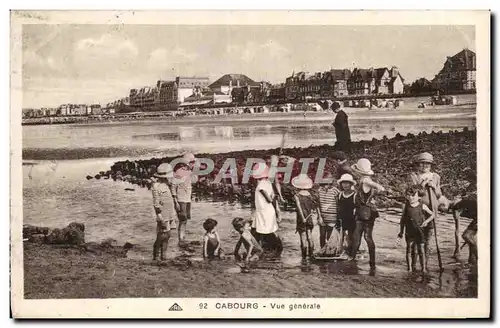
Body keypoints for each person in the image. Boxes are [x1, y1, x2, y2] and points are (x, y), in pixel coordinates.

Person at [405, 152, 443, 269]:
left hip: (431, 211)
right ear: (418, 164)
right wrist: (423, 183)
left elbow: (439, 194)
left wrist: (434, 187)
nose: (424, 166)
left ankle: (424, 265)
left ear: (431, 165)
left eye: (427, 164)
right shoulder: (413, 176)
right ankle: (413, 266)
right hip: (416, 211)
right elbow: (413, 192)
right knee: (415, 241)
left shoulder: (436, 176)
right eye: (422, 163)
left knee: (427, 239)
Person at [350, 158, 386, 270]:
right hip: (369, 212)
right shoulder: (364, 179)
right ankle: (371, 262)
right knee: (365, 236)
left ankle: (354, 259)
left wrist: (379, 188)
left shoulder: (365, 180)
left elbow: (379, 187)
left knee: (360, 236)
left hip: (364, 213)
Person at [397, 186, 435, 272]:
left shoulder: (422, 206)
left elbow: (433, 214)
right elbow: (402, 220)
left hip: (419, 231)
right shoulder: (406, 206)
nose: (411, 197)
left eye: (413, 195)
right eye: (408, 195)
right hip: (409, 231)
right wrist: (401, 232)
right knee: (409, 249)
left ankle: (424, 268)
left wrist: (426, 221)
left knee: (421, 249)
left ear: (419, 196)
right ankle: (409, 268)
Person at [252, 162, 283, 257]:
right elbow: (272, 196)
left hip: (263, 211)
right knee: (271, 229)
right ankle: (278, 248)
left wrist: (270, 198)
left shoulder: (261, 185)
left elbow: (269, 199)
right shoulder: (268, 182)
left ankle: (259, 250)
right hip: (269, 210)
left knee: (260, 231)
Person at [151, 163, 177, 261]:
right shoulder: (156, 186)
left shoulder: (167, 185)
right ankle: (156, 254)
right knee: (162, 235)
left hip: (170, 212)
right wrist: (159, 216)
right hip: (163, 214)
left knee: (168, 235)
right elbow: (156, 203)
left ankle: (164, 255)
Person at [292, 174, 319, 263]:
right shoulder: (310, 195)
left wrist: (303, 217)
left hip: (301, 219)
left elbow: (299, 207)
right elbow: (313, 207)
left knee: (303, 237)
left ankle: (304, 258)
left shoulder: (297, 195)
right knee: (309, 236)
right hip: (309, 218)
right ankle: (311, 256)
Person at [172, 152, 196, 246]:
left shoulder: (189, 172)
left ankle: (182, 237)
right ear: (187, 162)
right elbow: (173, 186)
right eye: (192, 162)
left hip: (187, 199)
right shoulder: (179, 172)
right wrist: (175, 201)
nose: (194, 164)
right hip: (181, 199)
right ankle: (181, 238)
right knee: (182, 219)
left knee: (185, 219)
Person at [317, 172, 340, 249]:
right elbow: (318, 205)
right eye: (324, 183)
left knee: (330, 236)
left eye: (328, 183)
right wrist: (319, 216)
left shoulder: (335, 191)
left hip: (332, 217)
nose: (326, 185)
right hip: (322, 217)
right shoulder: (319, 190)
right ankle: (322, 250)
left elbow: (338, 205)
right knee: (322, 235)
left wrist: (338, 218)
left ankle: (330, 251)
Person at [337, 173, 357, 256]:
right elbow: (338, 207)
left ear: (351, 184)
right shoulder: (340, 194)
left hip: (351, 220)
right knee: (341, 237)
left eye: (347, 183)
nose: (345, 185)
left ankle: (351, 254)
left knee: (351, 236)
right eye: (343, 183)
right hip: (342, 219)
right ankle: (341, 252)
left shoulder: (355, 195)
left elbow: (357, 208)